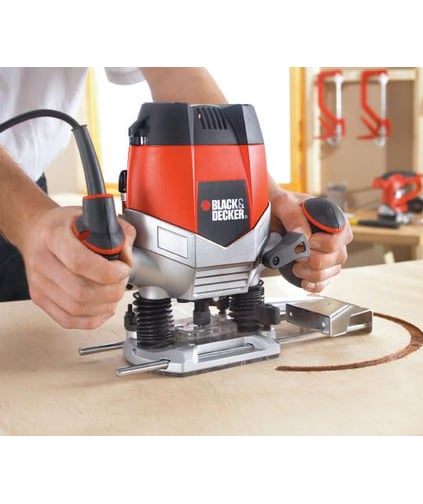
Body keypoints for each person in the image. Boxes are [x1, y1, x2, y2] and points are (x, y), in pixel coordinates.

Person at [0, 67, 352, 330]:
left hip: (30, 191)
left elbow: (173, 68)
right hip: (21, 200)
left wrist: (264, 197)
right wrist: (29, 219)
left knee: (33, 342)